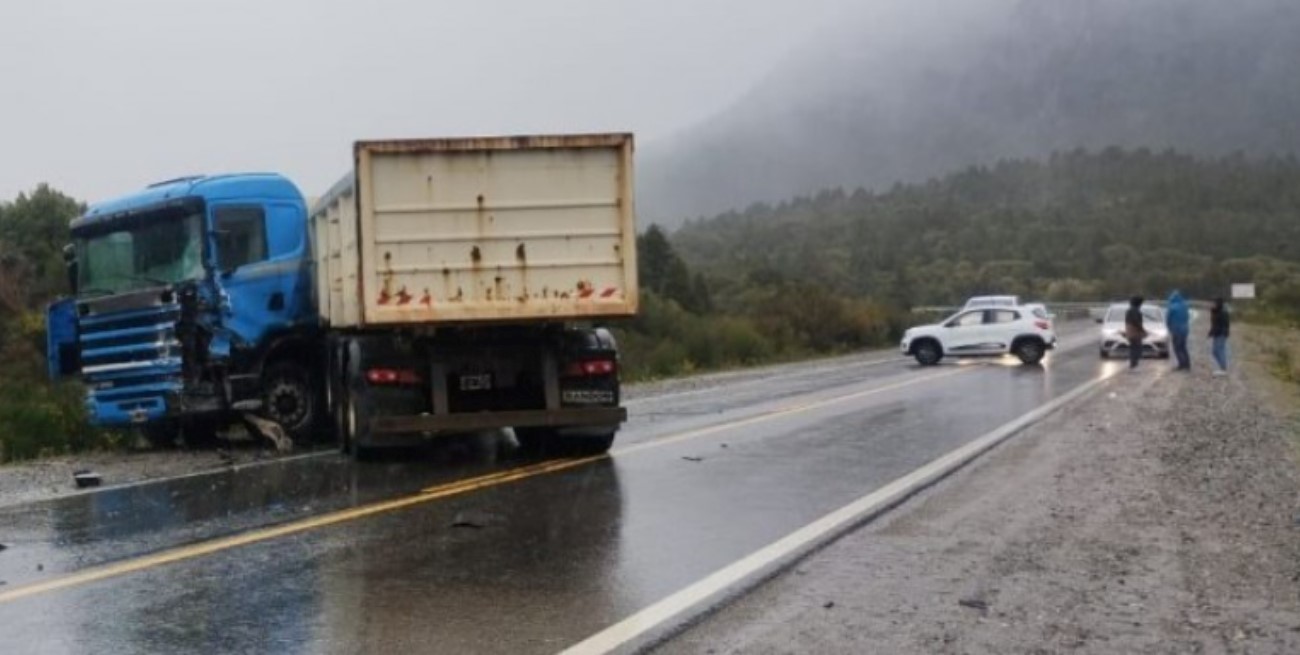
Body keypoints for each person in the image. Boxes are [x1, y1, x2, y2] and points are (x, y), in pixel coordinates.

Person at [1166, 290, 1191, 370]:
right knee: (1183, 347)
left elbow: (1168, 319)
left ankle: (1182, 364)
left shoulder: (1172, 307)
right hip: (1185, 328)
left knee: (1177, 347)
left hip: (1176, 329)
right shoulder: (1184, 306)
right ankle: (1187, 364)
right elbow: (1187, 317)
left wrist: (1169, 328)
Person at [1209, 297, 1231, 376]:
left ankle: (1223, 368)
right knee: (1215, 351)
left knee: (1219, 350)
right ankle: (1223, 367)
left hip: (1221, 334)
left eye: (1214, 303)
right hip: (1217, 333)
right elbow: (1214, 324)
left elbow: (1223, 324)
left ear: (1218, 304)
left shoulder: (1223, 312)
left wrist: (1216, 331)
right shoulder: (1216, 311)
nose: (1212, 304)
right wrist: (1211, 332)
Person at [1124, 296, 1146, 369]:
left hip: (1130, 331)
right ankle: (1133, 364)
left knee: (1134, 347)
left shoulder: (1130, 310)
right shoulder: (1135, 311)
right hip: (1134, 331)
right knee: (1137, 348)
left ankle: (1133, 363)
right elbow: (1136, 322)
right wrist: (1142, 330)